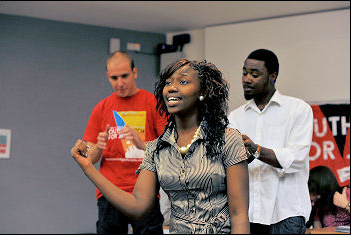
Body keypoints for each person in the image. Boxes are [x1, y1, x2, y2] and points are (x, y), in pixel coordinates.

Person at [72, 59, 250, 234]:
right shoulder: (157, 148)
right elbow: (137, 206)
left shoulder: (227, 139)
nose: (172, 87)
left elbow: (239, 215)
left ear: (202, 90)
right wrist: (88, 168)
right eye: (168, 83)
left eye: (183, 81)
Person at [76, 51, 165, 234]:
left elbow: (168, 149)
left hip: (144, 191)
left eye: (124, 76)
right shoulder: (101, 108)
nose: (120, 83)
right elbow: (89, 159)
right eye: (114, 78)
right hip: (109, 192)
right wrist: (98, 147)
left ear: (135, 72)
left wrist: (141, 142)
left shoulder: (152, 102)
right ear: (108, 76)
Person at [228, 49, 313, 234]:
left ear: (272, 76)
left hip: (286, 213)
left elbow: (296, 159)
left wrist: (256, 149)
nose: (246, 79)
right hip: (247, 213)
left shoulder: (298, 109)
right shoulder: (235, 117)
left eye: (254, 74)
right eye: (244, 73)